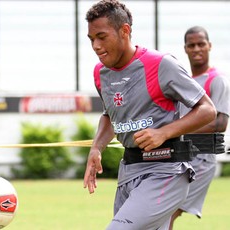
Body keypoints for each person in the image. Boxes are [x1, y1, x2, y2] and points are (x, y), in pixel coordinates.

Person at [83, 1, 217, 229]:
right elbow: (109, 115)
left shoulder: (161, 64)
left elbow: (207, 110)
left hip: (166, 171)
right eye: (91, 39)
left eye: (101, 37)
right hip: (129, 170)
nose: (95, 46)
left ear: (124, 31)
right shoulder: (100, 72)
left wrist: (163, 133)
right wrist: (97, 147)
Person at [169, 26, 230, 229]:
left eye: (201, 44)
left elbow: (220, 123)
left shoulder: (217, 80)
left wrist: (177, 130)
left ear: (209, 46)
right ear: (185, 49)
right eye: (191, 45)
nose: (196, 49)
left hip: (202, 159)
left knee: (167, 213)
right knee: (159, 211)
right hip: (181, 155)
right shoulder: (186, 80)